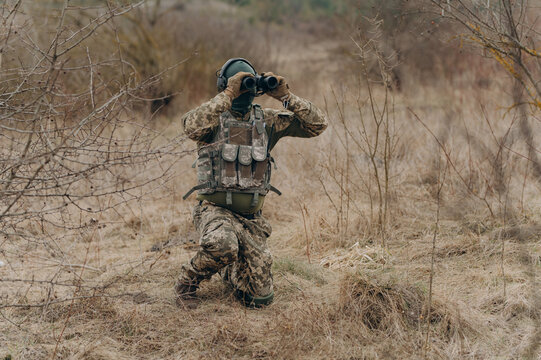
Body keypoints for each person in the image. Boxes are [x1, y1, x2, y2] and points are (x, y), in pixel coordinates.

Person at [176, 58, 327, 308]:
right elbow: (190, 126)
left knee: (259, 299)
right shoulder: (212, 118)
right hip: (215, 211)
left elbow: (317, 124)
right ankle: (188, 280)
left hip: (251, 219)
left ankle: (230, 269)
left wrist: (286, 96)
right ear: (225, 86)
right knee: (223, 245)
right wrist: (227, 94)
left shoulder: (266, 121)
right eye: (240, 85)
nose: (244, 91)